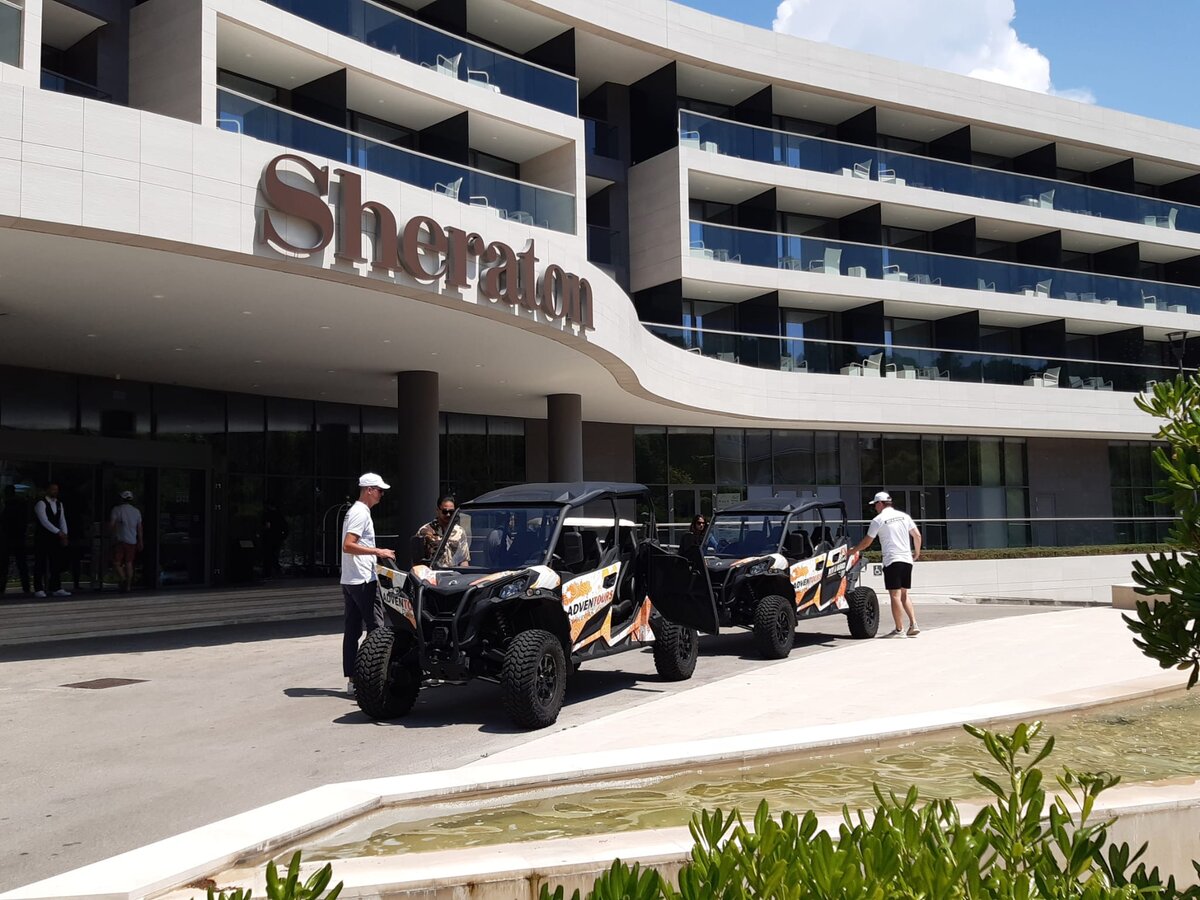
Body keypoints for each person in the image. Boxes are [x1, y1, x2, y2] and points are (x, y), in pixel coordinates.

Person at [341, 472, 396, 697]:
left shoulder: (354, 511)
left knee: (352, 629)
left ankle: (353, 680)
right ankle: (374, 678)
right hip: (363, 579)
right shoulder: (360, 513)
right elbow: (348, 545)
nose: (382, 495)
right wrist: (378, 551)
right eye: (380, 490)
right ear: (369, 490)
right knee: (377, 630)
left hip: (350, 579)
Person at [853, 491, 922, 637]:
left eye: (875, 505)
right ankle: (913, 623)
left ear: (880, 503)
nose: (874, 508)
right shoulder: (904, 516)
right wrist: (916, 552)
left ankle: (899, 629)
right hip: (907, 560)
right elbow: (917, 535)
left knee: (895, 595)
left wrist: (853, 551)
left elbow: (867, 541)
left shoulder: (878, 520)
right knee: (904, 594)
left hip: (892, 560)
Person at [33, 483, 71, 598]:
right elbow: (44, 521)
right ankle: (38, 588)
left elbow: (62, 519)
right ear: (47, 490)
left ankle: (56, 587)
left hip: (55, 538)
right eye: (53, 489)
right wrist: (58, 532)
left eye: (56, 489)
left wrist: (65, 534)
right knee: (40, 562)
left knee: (56, 562)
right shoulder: (41, 503)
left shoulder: (59, 504)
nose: (55, 491)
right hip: (43, 537)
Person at [416, 494, 469, 567]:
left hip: (454, 575)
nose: (448, 515)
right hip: (432, 575)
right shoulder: (424, 531)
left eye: (451, 512)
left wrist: (465, 576)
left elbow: (463, 560)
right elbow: (417, 562)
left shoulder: (460, 532)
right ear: (438, 510)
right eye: (445, 511)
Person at [109, 490, 144, 593]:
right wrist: (140, 541)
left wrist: (112, 535)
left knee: (116, 562)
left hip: (120, 540)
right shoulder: (136, 511)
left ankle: (123, 579)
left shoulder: (117, 509)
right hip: (132, 540)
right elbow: (139, 528)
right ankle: (128, 586)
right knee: (129, 563)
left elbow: (112, 525)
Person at [0, 485, 31, 597]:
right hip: (18, 536)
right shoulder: (21, 504)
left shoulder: (7, 505)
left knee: (4, 564)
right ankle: (26, 586)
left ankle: (2, 587)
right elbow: (25, 520)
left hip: (7, 537)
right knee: (22, 563)